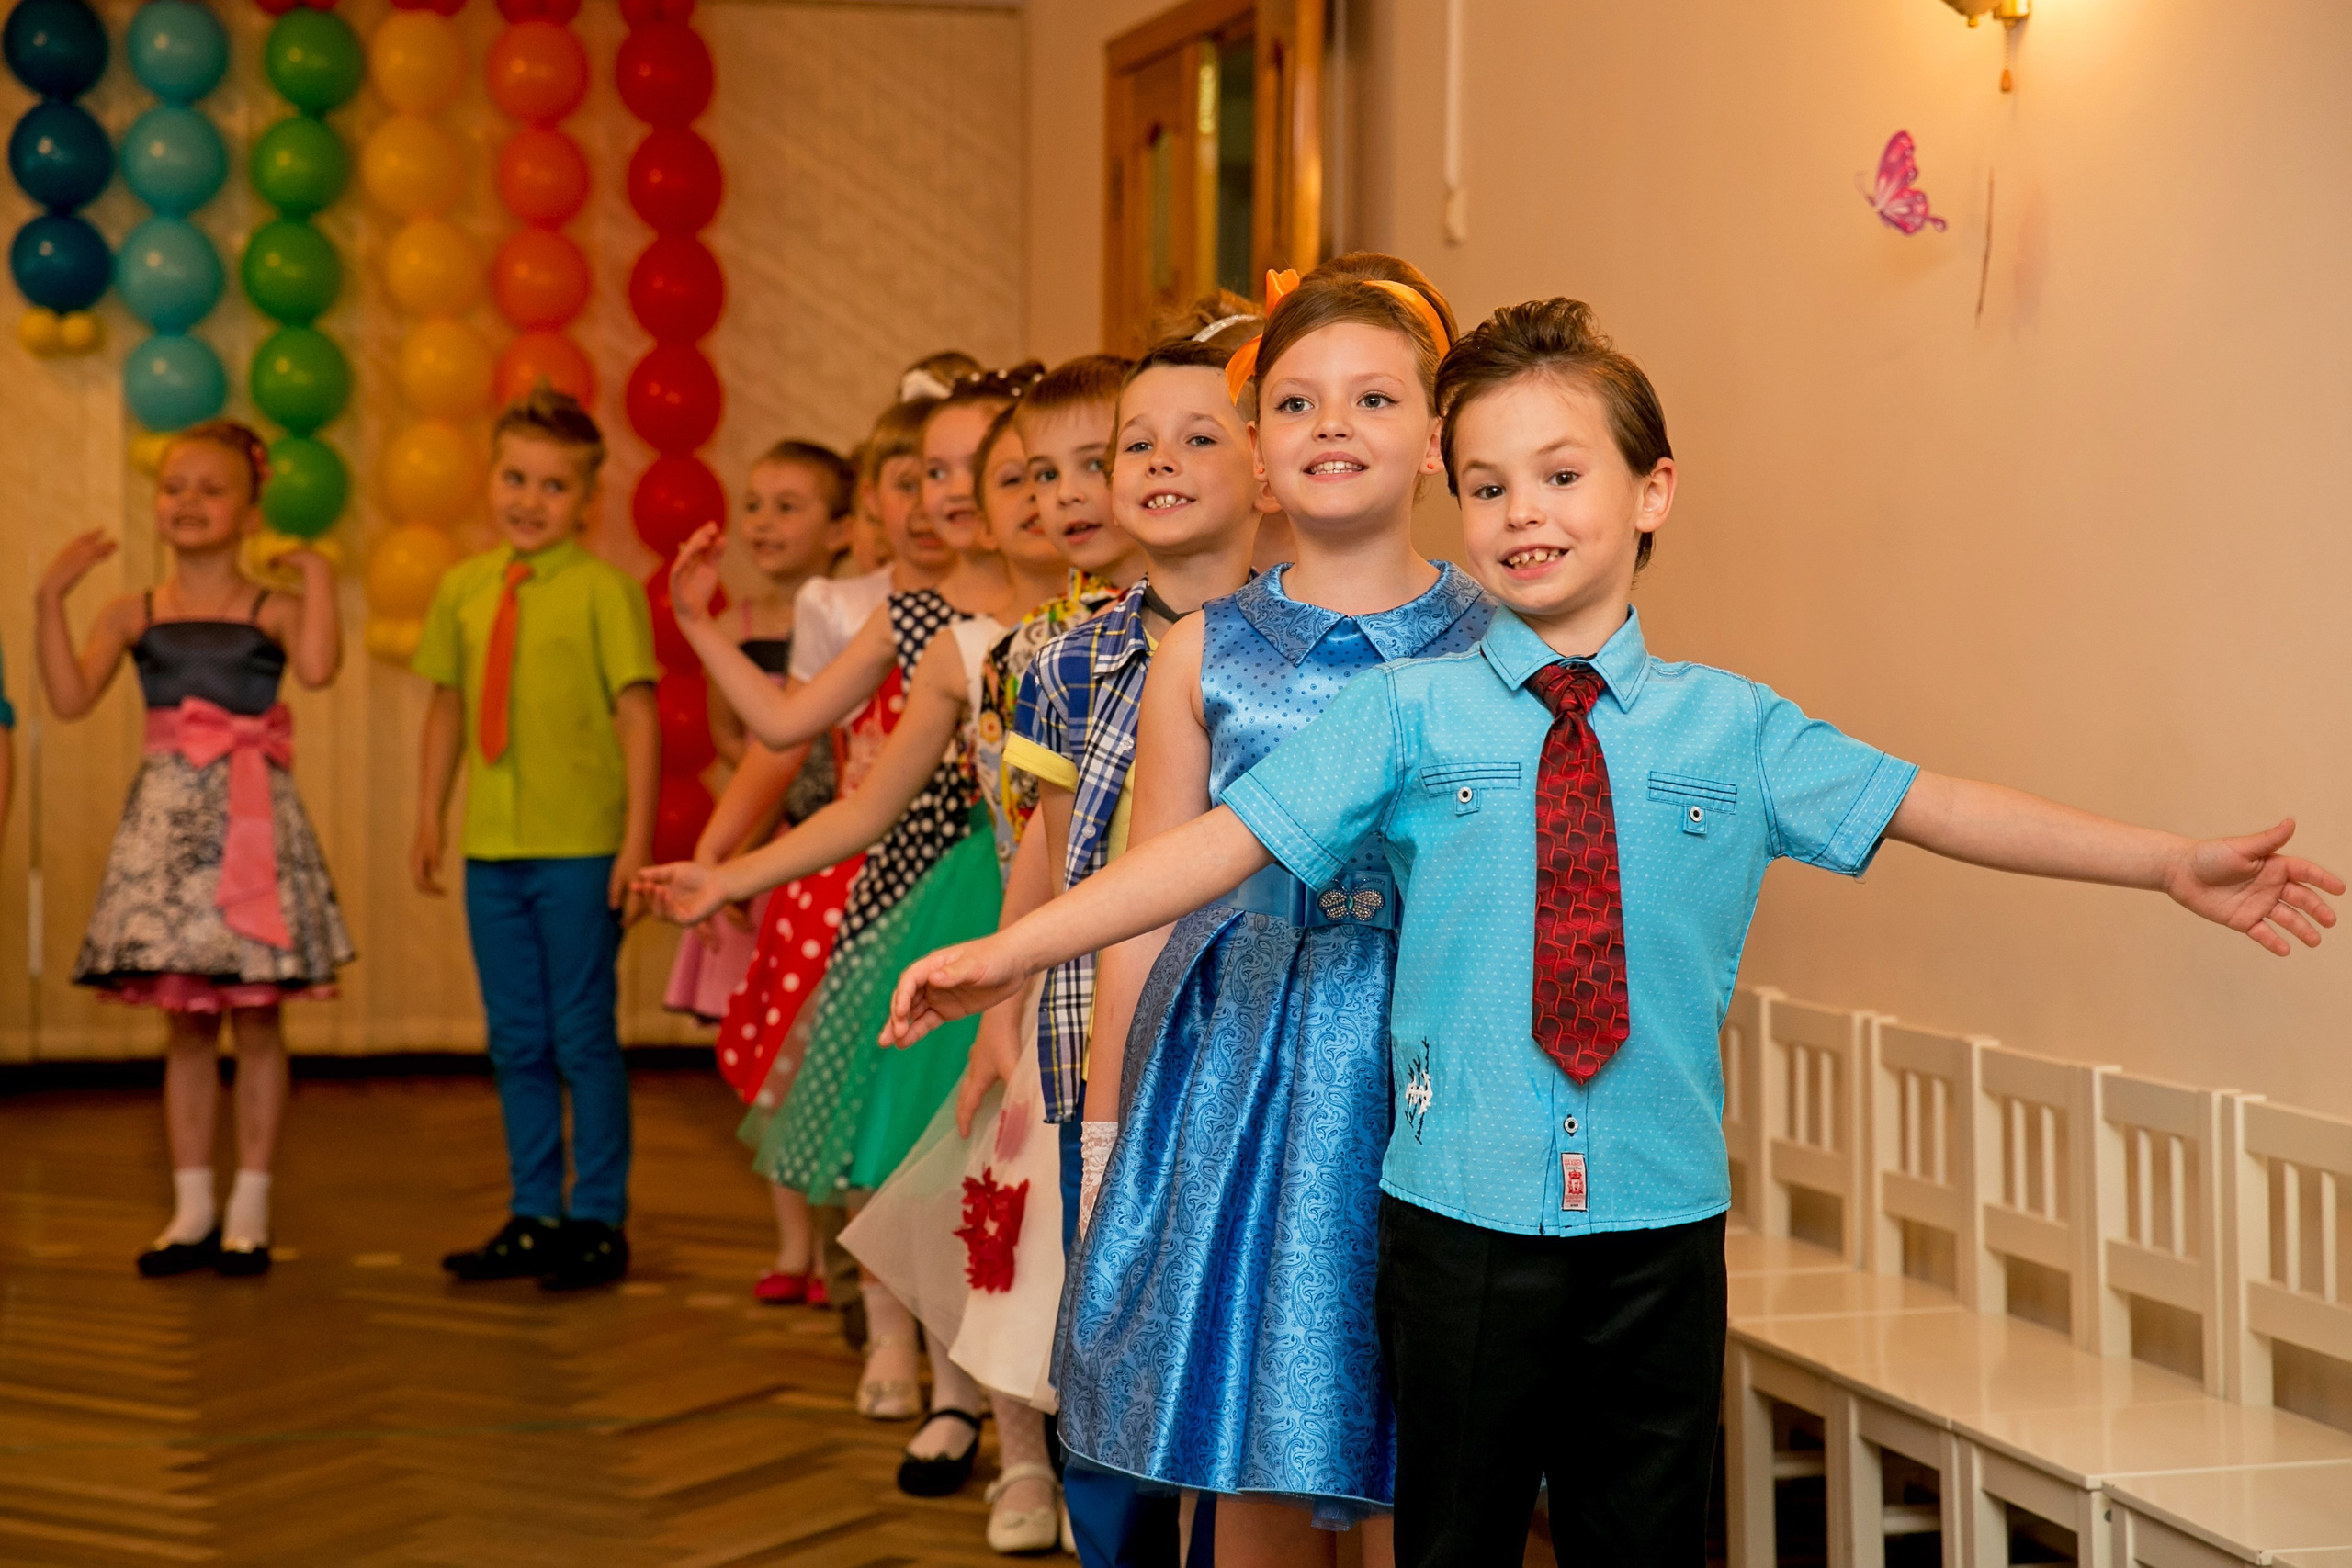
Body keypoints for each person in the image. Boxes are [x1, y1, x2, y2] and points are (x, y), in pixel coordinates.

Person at [883, 296, 2343, 1566]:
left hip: (1657, 1221)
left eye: (1563, 475)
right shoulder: (1408, 710)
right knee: (1446, 1533)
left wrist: (2164, 862)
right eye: (1488, 485)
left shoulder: (1735, 726)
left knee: (1637, 1537)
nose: (1523, 513)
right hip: (1453, 1216)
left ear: (1653, 491)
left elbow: (1935, 800)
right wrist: (1013, 951)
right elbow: (1212, 849)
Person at [34, 420, 350, 1278]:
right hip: (168, 836)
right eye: (176, 487)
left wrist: (320, 579)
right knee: (183, 1026)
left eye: (213, 489)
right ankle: (191, 1209)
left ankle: (250, 1205)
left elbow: (318, 667)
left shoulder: (270, 609)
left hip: (252, 825)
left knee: (256, 1018)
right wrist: (48, 602)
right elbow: (67, 698)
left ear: (251, 513)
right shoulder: (132, 612)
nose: (189, 502)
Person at [411, 386, 662, 1293]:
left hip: (581, 849)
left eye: (553, 487)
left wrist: (634, 842)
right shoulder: (463, 590)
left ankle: (596, 1218)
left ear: (587, 501)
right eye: (515, 478)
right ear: (489, 479)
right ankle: (532, 1211)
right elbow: (445, 707)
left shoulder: (607, 592)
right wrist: (428, 815)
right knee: (514, 1037)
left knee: (580, 1035)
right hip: (492, 848)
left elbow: (638, 719)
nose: (529, 500)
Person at [664, 440, 854, 1032]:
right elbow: (730, 736)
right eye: (754, 506)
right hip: (759, 826)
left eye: (788, 507)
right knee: (759, 1017)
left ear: (841, 530)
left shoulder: (857, 626)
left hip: (829, 830)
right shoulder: (732, 627)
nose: (765, 523)